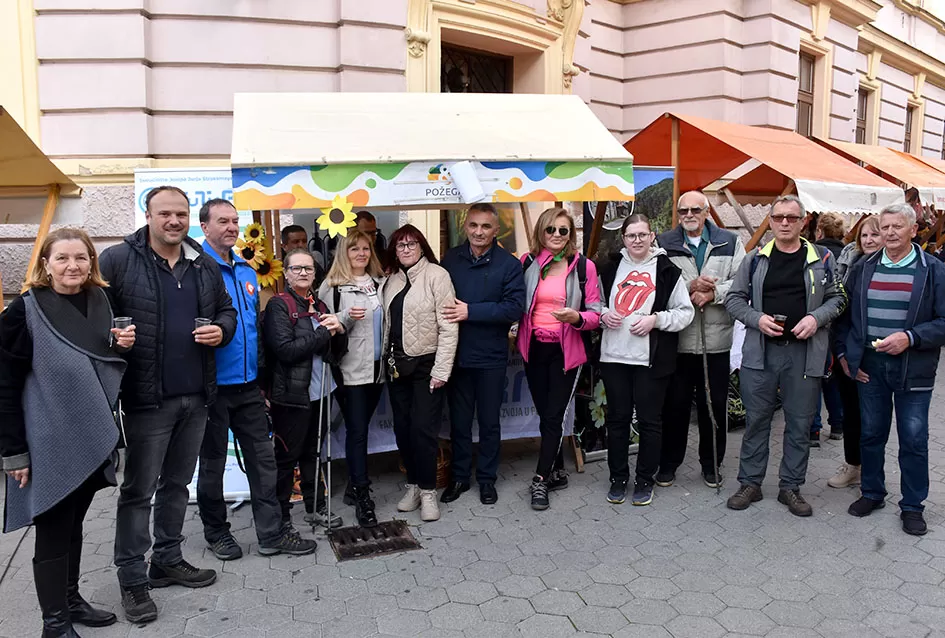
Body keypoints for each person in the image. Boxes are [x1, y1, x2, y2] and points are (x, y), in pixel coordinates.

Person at [99, 186, 237, 623]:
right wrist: (112, 339)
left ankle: (167, 559)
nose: (174, 221)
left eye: (181, 213)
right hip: (146, 399)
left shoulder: (201, 262)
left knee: (177, 485)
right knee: (138, 491)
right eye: (165, 214)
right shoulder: (118, 260)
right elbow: (94, 320)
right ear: (148, 214)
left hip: (196, 396)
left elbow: (227, 310)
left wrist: (222, 329)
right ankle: (133, 580)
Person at [1, 228, 135, 636]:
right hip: (48, 440)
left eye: (81, 257)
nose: (73, 266)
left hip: (89, 434)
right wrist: (14, 453)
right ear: (45, 264)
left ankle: (71, 600)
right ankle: (53, 623)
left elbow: (98, 357)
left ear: (92, 262)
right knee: (54, 528)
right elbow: (3, 385)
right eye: (62, 258)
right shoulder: (23, 311)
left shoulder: (101, 301)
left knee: (75, 523)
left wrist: (122, 347)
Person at [196, 199, 316, 559]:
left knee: (264, 462)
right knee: (213, 465)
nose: (232, 228)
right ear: (204, 227)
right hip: (211, 387)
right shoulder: (196, 270)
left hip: (248, 386)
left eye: (235, 221)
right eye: (223, 222)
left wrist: (262, 381)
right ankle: (217, 533)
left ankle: (271, 533)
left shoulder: (247, 271)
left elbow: (254, 330)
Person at [724, 195, 845, 517]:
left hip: (805, 355)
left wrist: (815, 318)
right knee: (757, 421)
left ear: (804, 222)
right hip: (761, 355)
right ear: (772, 221)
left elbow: (838, 299)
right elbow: (734, 299)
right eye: (778, 217)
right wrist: (756, 319)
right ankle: (750, 482)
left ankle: (790, 487)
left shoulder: (823, 259)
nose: (785, 223)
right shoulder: (755, 259)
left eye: (792, 218)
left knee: (800, 424)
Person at [835, 203, 945, 536]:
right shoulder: (863, 267)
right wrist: (845, 356)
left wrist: (911, 337)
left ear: (914, 230)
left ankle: (912, 506)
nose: (890, 233)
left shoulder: (933, 270)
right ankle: (872, 492)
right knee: (871, 434)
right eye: (885, 227)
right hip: (871, 367)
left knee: (913, 439)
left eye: (898, 226)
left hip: (913, 367)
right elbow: (845, 318)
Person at [598, 214, 694, 505]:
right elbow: (593, 303)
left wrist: (656, 320)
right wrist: (602, 314)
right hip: (614, 356)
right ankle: (618, 478)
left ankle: (644, 479)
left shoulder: (667, 270)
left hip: (651, 360)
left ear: (653, 236)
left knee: (650, 422)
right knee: (617, 420)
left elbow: (685, 312)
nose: (637, 241)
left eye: (642, 235)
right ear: (623, 238)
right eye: (631, 236)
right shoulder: (609, 267)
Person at [656, 191, 745, 489]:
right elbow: (656, 282)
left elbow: (741, 282)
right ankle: (669, 463)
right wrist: (689, 285)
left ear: (707, 211)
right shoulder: (664, 243)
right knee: (675, 406)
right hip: (678, 341)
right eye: (683, 211)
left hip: (716, 339)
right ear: (678, 214)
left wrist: (712, 293)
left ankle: (712, 464)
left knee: (714, 405)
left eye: (696, 209)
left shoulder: (730, 242)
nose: (689, 215)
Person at [441, 203, 526, 505]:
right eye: (473, 225)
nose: (478, 232)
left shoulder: (509, 264)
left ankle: (487, 480)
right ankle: (460, 477)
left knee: (490, 422)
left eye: (485, 226)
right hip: (457, 355)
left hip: (490, 356)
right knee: (459, 422)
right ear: (466, 226)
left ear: (496, 230)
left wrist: (470, 311)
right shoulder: (451, 258)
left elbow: (514, 308)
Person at [518, 207, 601, 511]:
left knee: (553, 416)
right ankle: (557, 471)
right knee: (545, 415)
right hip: (534, 349)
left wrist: (576, 316)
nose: (556, 235)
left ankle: (540, 480)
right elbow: (517, 302)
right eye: (550, 229)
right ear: (541, 232)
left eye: (563, 230)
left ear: (571, 235)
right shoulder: (527, 263)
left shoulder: (583, 267)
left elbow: (596, 313)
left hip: (566, 352)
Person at [264, 249, 347, 534]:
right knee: (287, 456)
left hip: (320, 391)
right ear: (285, 273)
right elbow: (285, 351)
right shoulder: (279, 305)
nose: (303, 273)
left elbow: (334, 352)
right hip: (291, 396)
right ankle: (281, 517)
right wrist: (325, 332)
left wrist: (340, 330)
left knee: (314, 452)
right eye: (297, 268)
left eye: (308, 269)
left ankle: (315, 507)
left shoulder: (320, 305)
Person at [383, 225, 458, 522]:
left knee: (423, 429)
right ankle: (413, 484)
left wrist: (442, 369)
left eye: (412, 244)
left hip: (427, 364)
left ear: (422, 247)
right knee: (402, 428)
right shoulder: (391, 279)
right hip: (396, 365)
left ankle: (429, 491)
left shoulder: (437, 276)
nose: (406, 249)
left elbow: (449, 326)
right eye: (400, 245)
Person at [318, 230, 387, 527]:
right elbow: (323, 328)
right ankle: (362, 495)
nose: (361, 253)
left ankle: (353, 486)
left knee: (362, 426)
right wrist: (345, 316)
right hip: (350, 370)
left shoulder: (381, 283)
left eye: (366, 248)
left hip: (379, 369)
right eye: (354, 249)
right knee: (357, 431)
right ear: (343, 253)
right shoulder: (331, 287)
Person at [828, 215, 883, 489]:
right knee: (851, 413)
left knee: (873, 418)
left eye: (875, 234)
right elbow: (842, 315)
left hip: (881, 355)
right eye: (865, 235)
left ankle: (872, 472)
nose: (870, 240)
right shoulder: (852, 266)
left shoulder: (891, 268)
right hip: (850, 352)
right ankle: (853, 465)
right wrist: (842, 355)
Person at [811, 211, 847, 446]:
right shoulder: (849, 254)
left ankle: (813, 430)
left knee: (813, 377)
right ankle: (838, 424)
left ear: (819, 231)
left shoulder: (813, 254)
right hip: (839, 326)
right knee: (832, 378)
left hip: (815, 324)